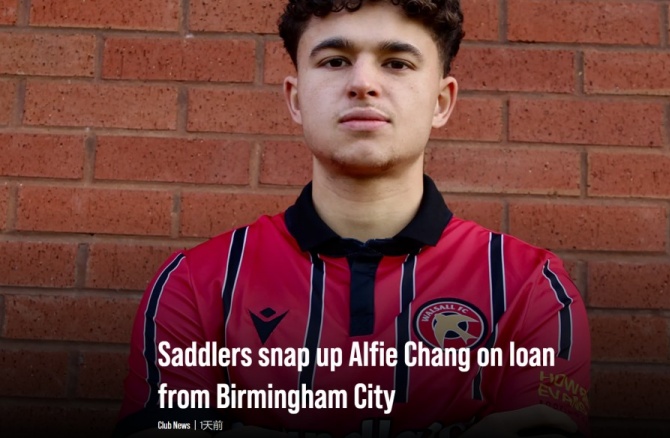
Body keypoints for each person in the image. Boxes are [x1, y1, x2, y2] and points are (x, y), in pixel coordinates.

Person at [114, 1, 590, 437]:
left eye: (396, 63)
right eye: (335, 61)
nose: (363, 84)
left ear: (441, 102)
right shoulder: (197, 283)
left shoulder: (529, 286)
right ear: (295, 98)